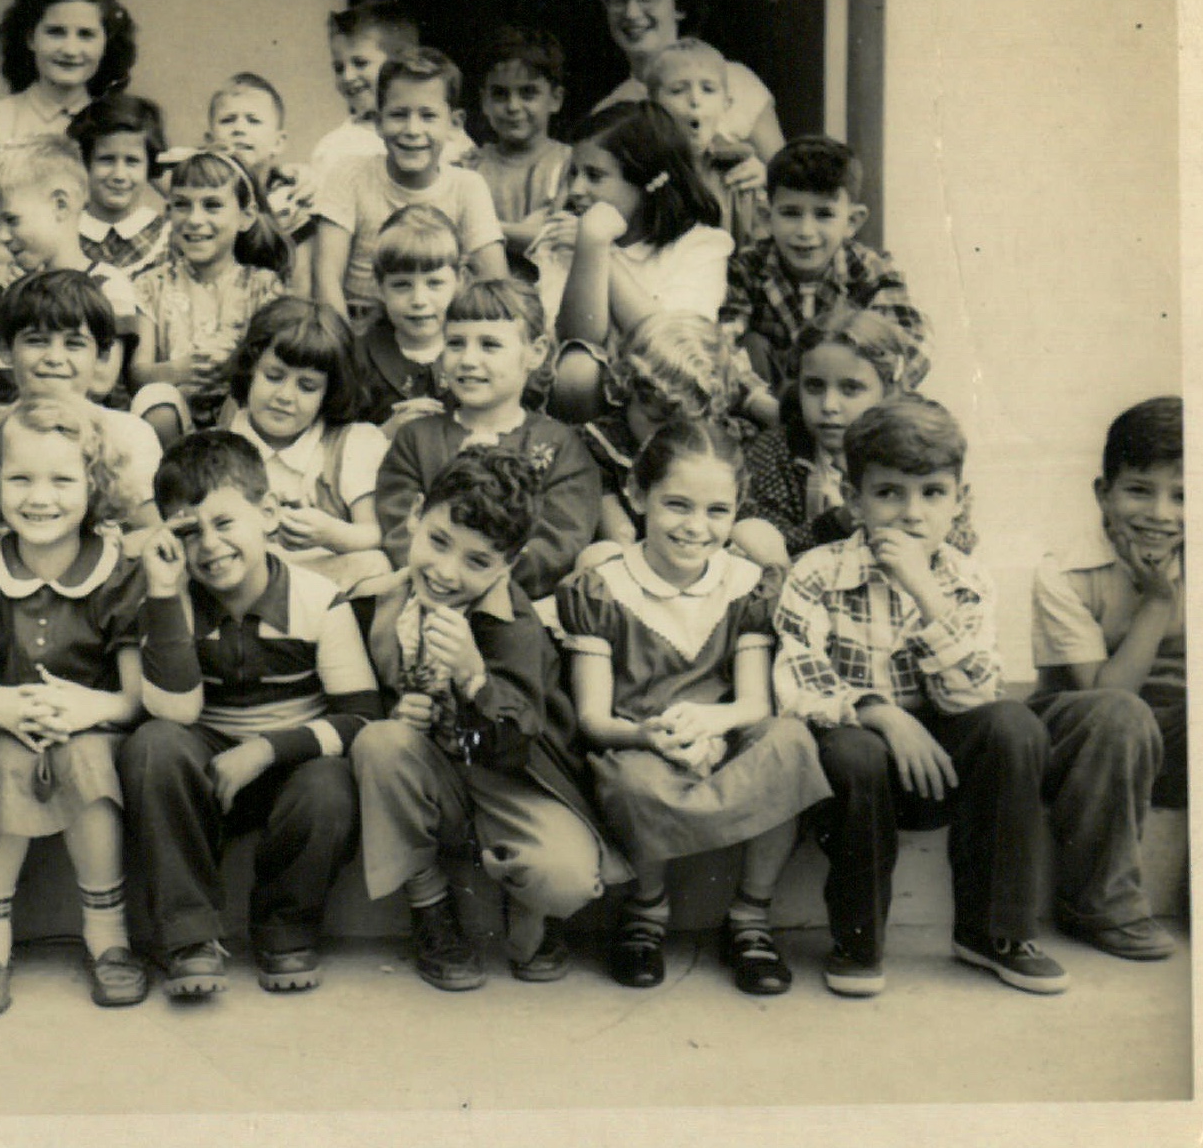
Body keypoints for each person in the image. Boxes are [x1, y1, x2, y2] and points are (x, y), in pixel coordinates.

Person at [773, 397, 1066, 997]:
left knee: (1014, 725)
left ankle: (992, 933)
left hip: (940, 767)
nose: (912, 514)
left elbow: (978, 691)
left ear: (959, 501)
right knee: (854, 751)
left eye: (932, 493)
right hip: (855, 771)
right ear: (853, 500)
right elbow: (798, 680)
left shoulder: (965, 580)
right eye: (889, 493)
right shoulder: (816, 572)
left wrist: (926, 593)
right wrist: (881, 715)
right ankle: (857, 940)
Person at [561, 420, 829, 995]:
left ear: (736, 510)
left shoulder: (747, 585)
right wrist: (648, 735)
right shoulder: (603, 588)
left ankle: (750, 916)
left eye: (716, 511)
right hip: (641, 741)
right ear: (638, 496)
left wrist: (714, 720)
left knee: (790, 743)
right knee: (632, 780)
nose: (696, 527)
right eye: (677, 505)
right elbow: (593, 719)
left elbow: (754, 703)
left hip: (724, 737)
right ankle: (647, 910)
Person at [118, 431, 381, 997]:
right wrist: (163, 595)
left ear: (267, 514)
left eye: (224, 522)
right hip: (206, 774)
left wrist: (266, 749)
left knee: (329, 785)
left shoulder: (317, 599)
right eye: (189, 532)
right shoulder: (167, 601)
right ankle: (190, 936)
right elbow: (174, 710)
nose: (209, 546)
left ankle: (285, 928)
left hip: (291, 770)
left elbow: (361, 716)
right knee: (153, 745)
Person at [352, 448, 626, 991]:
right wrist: (398, 713)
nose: (446, 572)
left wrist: (474, 676)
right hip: (440, 778)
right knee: (380, 742)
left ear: (509, 564)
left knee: (567, 878)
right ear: (414, 515)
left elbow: (517, 744)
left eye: (478, 561)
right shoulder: (383, 602)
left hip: (515, 781)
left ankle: (529, 904)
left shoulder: (514, 624)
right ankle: (430, 907)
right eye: (438, 541)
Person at [0, 397, 180, 1014]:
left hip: (90, 723)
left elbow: (132, 700)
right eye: (20, 479)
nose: (39, 497)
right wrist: (5, 705)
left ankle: (108, 937)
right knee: (3, 762)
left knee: (87, 762)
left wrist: (81, 709)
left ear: (94, 486)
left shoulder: (117, 569)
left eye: (62, 480)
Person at [1030, 395, 1184, 960]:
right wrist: (1158, 602)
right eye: (1139, 490)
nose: (1161, 514)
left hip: (1165, 744)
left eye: (1183, 495)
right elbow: (1108, 694)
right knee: (1122, 714)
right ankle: (1098, 901)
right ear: (1103, 493)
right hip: (1080, 740)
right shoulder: (1065, 572)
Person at [376, 280, 601, 603]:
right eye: (455, 343)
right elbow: (399, 526)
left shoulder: (561, 447)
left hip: (512, 607)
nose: (468, 359)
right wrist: (440, 576)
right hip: (425, 591)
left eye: (489, 345)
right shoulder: (417, 438)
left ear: (535, 353)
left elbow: (559, 544)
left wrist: (477, 580)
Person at [0, 269, 162, 568]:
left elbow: (152, 533)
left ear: (101, 355)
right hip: (0, 587)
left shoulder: (130, 434)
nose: (54, 358)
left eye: (74, 344)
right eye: (37, 341)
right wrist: (41, 558)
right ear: (5, 350)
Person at [535, 101, 732, 422]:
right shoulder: (568, 237)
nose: (576, 190)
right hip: (590, 404)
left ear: (645, 182)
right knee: (577, 370)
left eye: (594, 176)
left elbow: (671, 346)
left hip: (669, 396)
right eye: (573, 174)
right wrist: (589, 250)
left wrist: (604, 251)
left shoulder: (701, 246)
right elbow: (577, 339)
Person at [733, 307, 972, 569]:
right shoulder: (778, 450)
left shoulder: (917, 447)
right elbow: (766, 541)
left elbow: (960, 539)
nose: (829, 405)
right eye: (814, 387)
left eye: (851, 388)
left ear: (886, 390)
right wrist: (837, 523)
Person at [0, 0, 138, 268]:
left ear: (105, 42)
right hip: (25, 283)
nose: (70, 49)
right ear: (30, 37)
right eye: (55, 32)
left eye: (86, 34)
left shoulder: (120, 122)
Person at [0, 136, 141, 423]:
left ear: (60, 205)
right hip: (0, 435)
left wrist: (34, 301)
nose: (1, 236)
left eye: (12, 220)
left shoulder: (108, 286)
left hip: (79, 432)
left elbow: (100, 381)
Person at [314, 48, 507, 328]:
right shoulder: (349, 175)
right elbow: (327, 279)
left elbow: (495, 284)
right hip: (358, 327)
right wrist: (343, 346)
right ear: (378, 123)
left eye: (428, 116)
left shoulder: (467, 187)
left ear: (454, 124)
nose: (412, 130)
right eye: (398, 115)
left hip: (437, 328)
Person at [720, 136, 929, 392]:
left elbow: (913, 347)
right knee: (750, 344)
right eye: (791, 213)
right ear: (766, 217)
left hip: (845, 402)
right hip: (769, 403)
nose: (805, 231)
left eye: (824, 215)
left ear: (852, 221)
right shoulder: (746, 269)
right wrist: (759, 401)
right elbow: (722, 344)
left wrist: (868, 395)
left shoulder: (871, 271)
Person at [226, 298, 391, 590]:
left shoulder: (350, 444)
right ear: (250, 370)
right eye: (273, 377)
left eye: (307, 386)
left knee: (376, 564)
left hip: (326, 580)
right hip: (244, 584)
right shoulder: (221, 447)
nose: (285, 396)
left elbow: (375, 533)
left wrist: (331, 534)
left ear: (329, 392)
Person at [128, 149, 290, 446]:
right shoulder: (151, 284)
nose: (194, 219)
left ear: (246, 216)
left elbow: (276, 364)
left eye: (212, 205)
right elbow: (138, 373)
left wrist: (231, 367)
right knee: (156, 400)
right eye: (182, 205)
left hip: (239, 414)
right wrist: (177, 370)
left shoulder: (262, 286)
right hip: (177, 418)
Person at [591, 0, 786, 162]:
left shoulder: (735, 81)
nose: (631, 13)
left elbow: (785, 174)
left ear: (680, 6)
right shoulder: (609, 110)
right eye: (619, 0)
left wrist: (761, 174)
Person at [584, 310, 757, 548]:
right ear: (630, 393)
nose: (667, 439)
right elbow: (619, 532)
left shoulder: (727, 441)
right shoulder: (605, 445)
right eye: (655, 420)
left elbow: (743, 522)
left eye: (684, 428)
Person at [311, 0, 478, 181]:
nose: (347, 76)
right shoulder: (334, 147)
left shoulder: (444, 131)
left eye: (360, 63)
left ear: (402, 62)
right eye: (338, 68)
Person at [644, 39, 768, 249]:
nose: (695, 100)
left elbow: (757, 246)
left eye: (708, 89)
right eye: (678, 90)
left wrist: (767, 181)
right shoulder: (641, 167)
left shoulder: (741, 170)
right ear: (652, 106)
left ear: (726, 103)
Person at [469, 25, 571, 275]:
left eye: (528, 93)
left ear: (555, 99)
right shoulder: (470, 167)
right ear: (484, 101)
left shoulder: (570, 165)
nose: (513, 106)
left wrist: (478, 228)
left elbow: (551, 241)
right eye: (500, 94)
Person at [204, 73, 316, 292]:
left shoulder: (290, 200)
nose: (239, 128)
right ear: (209, 141)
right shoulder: (199, 195)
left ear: (278, 142)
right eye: (227, 120)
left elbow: (300, 282)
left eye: (253, 121)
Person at [353, 205, 460, 435]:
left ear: (459, 281)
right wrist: (383, 434)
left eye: (434, 283)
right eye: (402, 285)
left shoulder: (473, 354)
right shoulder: (357, 359)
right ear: (379, 288)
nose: (419, 300)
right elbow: (334, 439)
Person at [68, 92, 172, 278]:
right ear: (85, 162)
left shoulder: (167, 238)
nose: (119, 175)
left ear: (149, 165)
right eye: (106, 159)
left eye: (132, 161)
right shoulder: (66, 234)